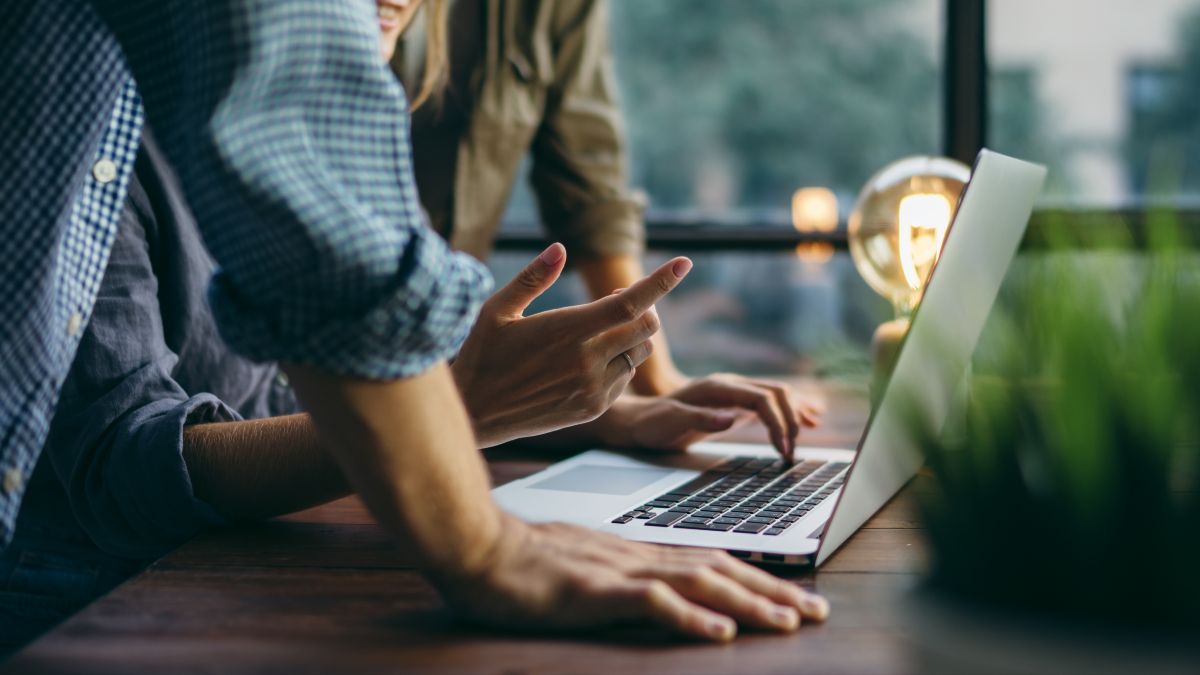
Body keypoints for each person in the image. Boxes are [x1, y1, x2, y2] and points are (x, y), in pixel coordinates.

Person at [0, 0, 826, 650]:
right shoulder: (114, 132)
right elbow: (118, 466)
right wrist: (478, 513)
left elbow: (281, 397)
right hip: (84, 607)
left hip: (218, 580)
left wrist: (582, 416)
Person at [391, 0, 821, 455]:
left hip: (426, 382)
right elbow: (401, 422)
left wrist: (638, 401)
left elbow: (589, 180)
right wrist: (461, 416)